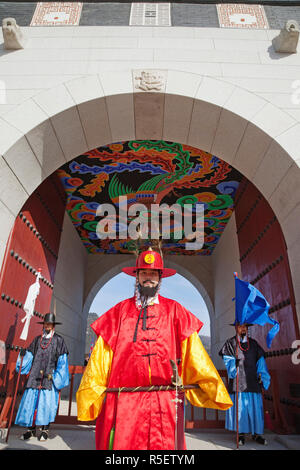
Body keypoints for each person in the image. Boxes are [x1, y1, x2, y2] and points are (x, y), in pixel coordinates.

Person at [76, 247, 233, 450]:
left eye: (152, 273)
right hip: (124, 400)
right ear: (137, 277)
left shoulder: (175, 311)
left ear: (160, 277)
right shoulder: (118, 312)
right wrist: (93, 390)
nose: (148, 277)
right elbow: (100, 358)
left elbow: (194, 353)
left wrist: (208, 384)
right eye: (144, 273)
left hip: (164, 399)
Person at [14, 313, 69, 441]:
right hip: (34, 375)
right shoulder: (37, 340)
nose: (47, 326)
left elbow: (62, 361)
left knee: (46, 405)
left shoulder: (58, 340)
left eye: (49, 324)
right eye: (45, 323)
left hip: (49, 378)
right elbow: (29, 356)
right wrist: (23, 356)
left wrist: (57, 377)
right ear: (43, 325)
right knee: (31, 404)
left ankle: (45, 430)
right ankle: (31, 430)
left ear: (53, 326)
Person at [219, 321, 271, 446]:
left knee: (255, 410)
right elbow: (228, 361)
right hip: (239, 382)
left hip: (252, 381)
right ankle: (241, 434)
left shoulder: (253, 344)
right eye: (240, 327)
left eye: (245, 327)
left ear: (247, 329)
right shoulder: (230, 344)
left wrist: (264, 379)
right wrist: (234, 364)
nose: (243, 329)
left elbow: (261, 363)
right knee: (240, 409)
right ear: (236, 328)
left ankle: (257, 434)